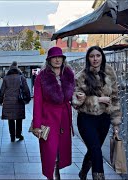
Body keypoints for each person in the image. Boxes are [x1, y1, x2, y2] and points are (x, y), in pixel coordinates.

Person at [71, 46, 122, 180]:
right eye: (92, 56)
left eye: (98, 55)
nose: (95, 59)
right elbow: (75, 102)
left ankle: (83, 172)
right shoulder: (81, 76)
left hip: (104, 119)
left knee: (94, 149)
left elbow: (115, 98)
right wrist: (98, 99)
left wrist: (116, 123)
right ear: (88, 58)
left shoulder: (110, 73)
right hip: (86, 119)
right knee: (96, 151)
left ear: (102, 57)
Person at [32, 46, 75, 180]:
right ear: (49, 60)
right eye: (54, 57)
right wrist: (37, 125)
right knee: (50, 149)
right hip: (48, 117)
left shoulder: (69, 73)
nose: (57, 60)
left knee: (61, 148)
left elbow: (73, 95)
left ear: (63, 59)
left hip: (64, 117)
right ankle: (51, 173)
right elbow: (37, 101)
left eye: (59, 57)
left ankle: (57, 172)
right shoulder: (42, 76)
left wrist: (78, 98)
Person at [0, 61, 30, 142]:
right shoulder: (21, 77)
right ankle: (18, 135)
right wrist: (28, 98)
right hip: (19, 101)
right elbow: (26, 89)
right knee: (19, 118)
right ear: (17, 68)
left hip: (8, 101)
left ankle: (12, 136)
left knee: (11, 119)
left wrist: (0, 100)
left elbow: (2, 90)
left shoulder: (6, 78)